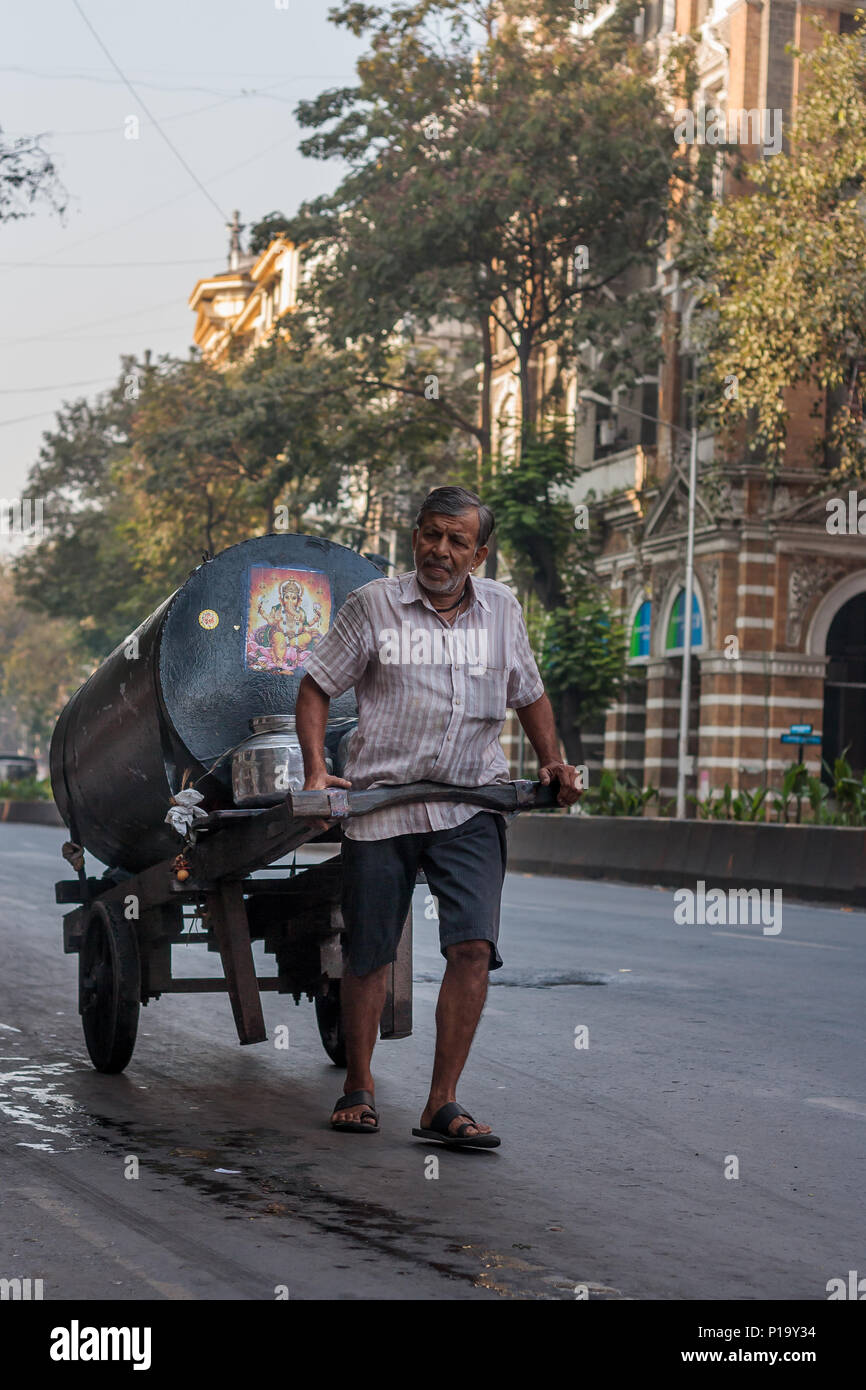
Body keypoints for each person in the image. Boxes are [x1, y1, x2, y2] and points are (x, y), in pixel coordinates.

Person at [295, 485, 582, 1148]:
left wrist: (553, 763)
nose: (440, 550)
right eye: (431, 535)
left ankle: (440, 1104)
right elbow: (314, 684)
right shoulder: (374, 606)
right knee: (369, 953)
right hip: (382, 802)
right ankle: (358, 1086)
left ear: (478, 554)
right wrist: (316, 770)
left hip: (471, 800)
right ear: (415, 538)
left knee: (473, 947)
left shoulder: (503, 611)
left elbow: (529, 694)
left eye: (456, 541)